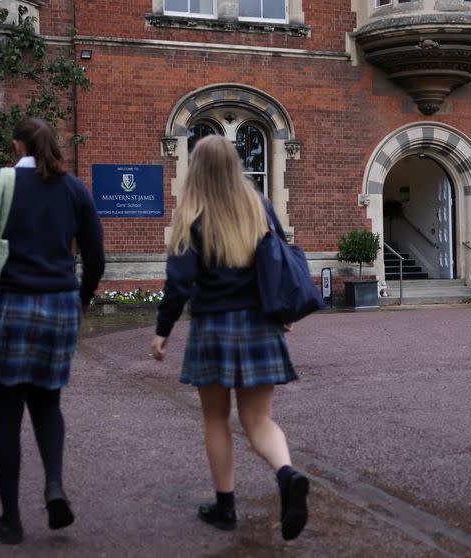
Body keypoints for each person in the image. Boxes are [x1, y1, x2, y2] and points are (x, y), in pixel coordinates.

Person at [0, 118, 105, 545]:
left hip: (4, 306)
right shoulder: (74, 190)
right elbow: (96, 258)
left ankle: (10, 520)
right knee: (47, 403)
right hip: (58, 305)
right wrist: (83, 298)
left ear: (17, 147)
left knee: (5, 415)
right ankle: (54, 485)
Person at [151, 135, 309, 541]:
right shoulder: (259, 208)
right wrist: (283, 313)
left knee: (216, 418)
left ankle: (225, 508)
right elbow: (276, 264)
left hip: (214, 329)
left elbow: (179, 283)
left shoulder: (192, 214)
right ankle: (287, 474)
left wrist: (163, 331)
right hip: (259, 325)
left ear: (196, 168)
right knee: (259, 420)